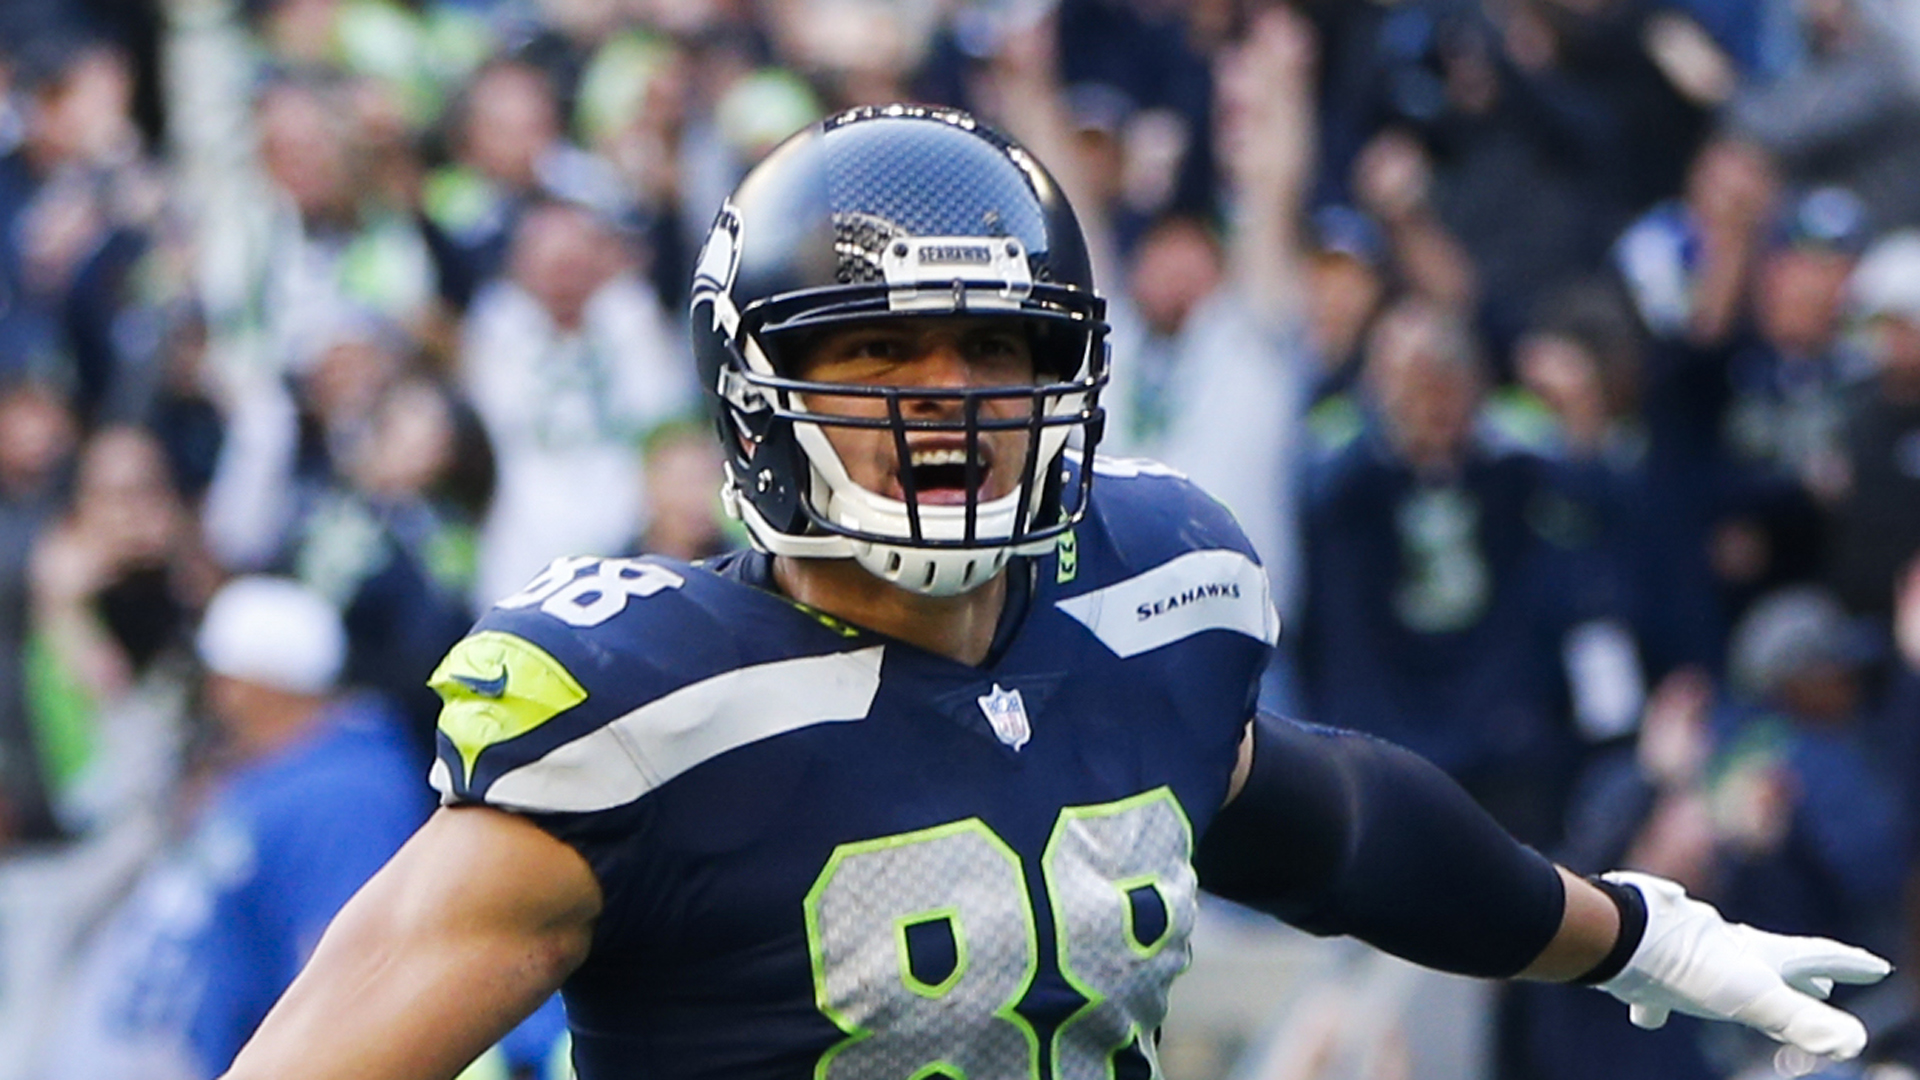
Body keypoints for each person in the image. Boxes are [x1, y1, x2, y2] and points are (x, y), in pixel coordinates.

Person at [220, 105, 1888, 1080]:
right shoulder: (641, 711)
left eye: (996, 350)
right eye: (880, 352)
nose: (945, 399)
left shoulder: (1146, 603)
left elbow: (1331, 828)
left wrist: (1641, 939)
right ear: (753, 388)